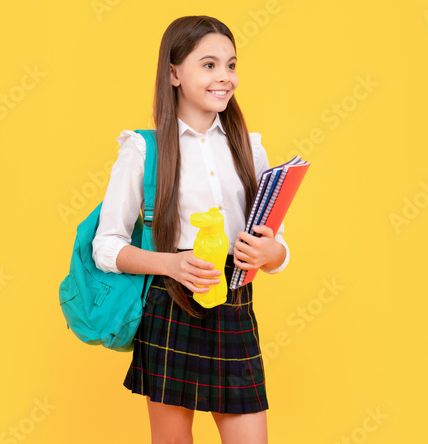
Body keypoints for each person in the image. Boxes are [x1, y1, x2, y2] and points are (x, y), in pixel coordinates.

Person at [91, 15, 289, 444]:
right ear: (175, 73)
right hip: (171, 302)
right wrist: (173, 264)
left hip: (235, 304)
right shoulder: (144, 149)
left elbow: (277, 245)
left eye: (231, 65)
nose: (225, 77)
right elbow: (106, 247)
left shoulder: (249, 146)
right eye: (209, 65)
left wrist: (269, 254)